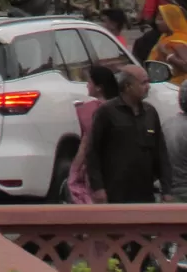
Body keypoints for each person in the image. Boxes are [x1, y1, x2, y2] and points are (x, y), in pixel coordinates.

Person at [86, 64, 171, 202]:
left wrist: (167, 190)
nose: (148, 86)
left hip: (145, 193)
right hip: (115, 193)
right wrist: (98, 188)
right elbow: (93, 152)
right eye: (143, 82)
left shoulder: (150, 113)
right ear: (127, 86)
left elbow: (161, 153)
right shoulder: (106, 112)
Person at [67, 64, 123, 202]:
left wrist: (74, 173)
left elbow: (86, 143)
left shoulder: (92, 110)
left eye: (89, 82)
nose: (87, 85)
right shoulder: (122, 107)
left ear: (99, 87)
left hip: (98, 172)